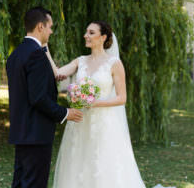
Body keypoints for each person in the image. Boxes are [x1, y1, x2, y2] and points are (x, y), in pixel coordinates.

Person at [47, 21, 147, 187]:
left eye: (91, 32)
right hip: (80, 123)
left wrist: (95, 103)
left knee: (103, 166)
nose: (86, 35)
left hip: (104, 125)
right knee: (78, 164)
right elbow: (57, 73)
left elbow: (122, 98)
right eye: (86, 32)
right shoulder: (80, 61)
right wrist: (45, 49)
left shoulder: (114, 63)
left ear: (103, 37)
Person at [6, 6, 83, 188]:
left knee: (20, 182)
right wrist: (65, 112)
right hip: (36, 133)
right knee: (34, 183)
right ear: (40, 26)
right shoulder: (36, 55)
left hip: (22, 131)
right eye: (50, 27)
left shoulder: (15, 54)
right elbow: (38, 98)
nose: (51, 31)